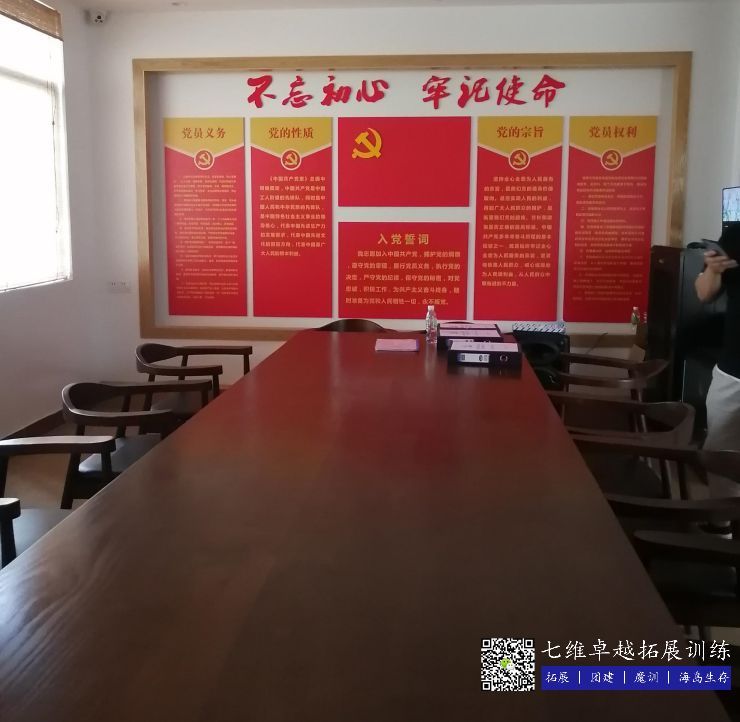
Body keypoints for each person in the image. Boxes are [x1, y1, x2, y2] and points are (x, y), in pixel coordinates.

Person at [695, 224, 740, 495]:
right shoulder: (735, 235)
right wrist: (713, 270)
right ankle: (721, 517)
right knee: (720, 457)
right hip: (733, 373)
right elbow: (703, 293)